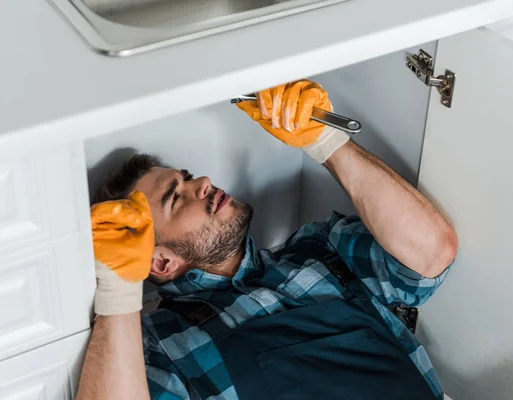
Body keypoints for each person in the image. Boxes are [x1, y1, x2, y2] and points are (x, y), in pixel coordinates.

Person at [76, 80, 458, 400]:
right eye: (176, 198)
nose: (202, 183)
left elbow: (431, 254)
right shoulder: (161, 342)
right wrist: (119, 292)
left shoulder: (320, 249)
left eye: (188, 176)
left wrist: (325, 142)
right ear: (161, 262)